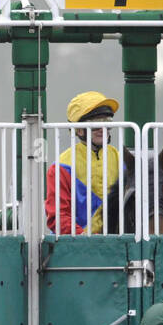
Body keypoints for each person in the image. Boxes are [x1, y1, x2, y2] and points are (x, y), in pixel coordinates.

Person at [45, 92, 120, 235]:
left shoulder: (120, 160)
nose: (103, 129)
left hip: (116, 245)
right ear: (79, 130)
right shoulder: (61, 167)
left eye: (107, 123)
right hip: (76, 249)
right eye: (96, 124)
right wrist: (84, 239)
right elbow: (58, 217)